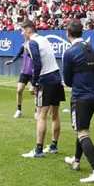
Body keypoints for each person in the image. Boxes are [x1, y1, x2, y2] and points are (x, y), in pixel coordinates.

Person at [62, 20, 94, 183]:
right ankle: (76, 160)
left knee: (82, 132)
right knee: (82, 128)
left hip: (81, 97)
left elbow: (68, 81)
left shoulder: (70, 52)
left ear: (68, 33)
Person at [21, 21, 64, 158]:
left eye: (22, 31)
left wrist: (33, 83)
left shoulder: (32, 43)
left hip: (46, 80)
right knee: (55, 115)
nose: (22, 33)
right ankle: (53, 146)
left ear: (28, 30)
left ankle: (38, 150)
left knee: (41, 115)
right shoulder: (44, 39)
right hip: (56, 77)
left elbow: (37, 63)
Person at [5, 36, 37, 119]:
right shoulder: (23, 45)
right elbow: (19, 53)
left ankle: (36, 111)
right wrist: (12, 61)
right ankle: (19, 110)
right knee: (19, 90)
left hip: (34, 72)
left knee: (34, 92)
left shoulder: (35, 46)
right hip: (24, 72)